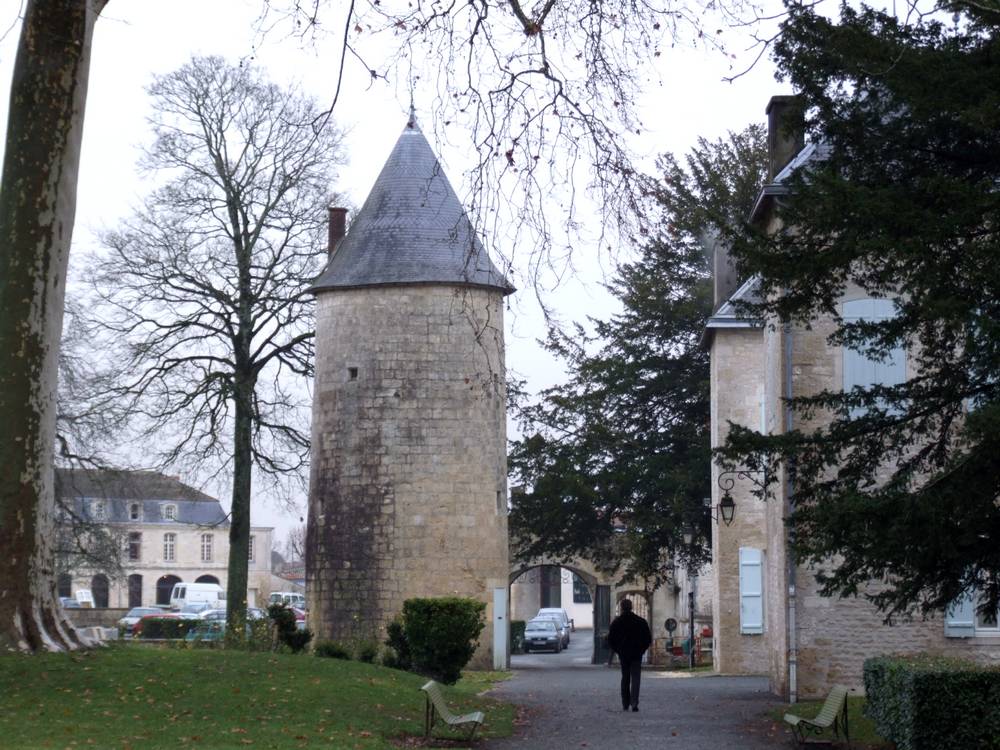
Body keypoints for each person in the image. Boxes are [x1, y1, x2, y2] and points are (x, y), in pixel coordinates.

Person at [607, 598, 652, 712]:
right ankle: (634, 703)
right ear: (631, 607)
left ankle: (625, 703)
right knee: (636, 678)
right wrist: (641, 650)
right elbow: (647, 639)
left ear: (621, 607)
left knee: (625, 678)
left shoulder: (617, 622)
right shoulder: (641, 621)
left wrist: (618, 650)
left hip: (624, 654)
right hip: (636, 654)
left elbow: (611, 640)